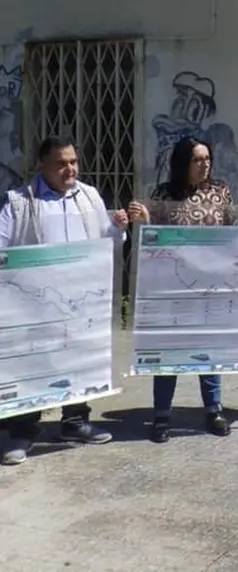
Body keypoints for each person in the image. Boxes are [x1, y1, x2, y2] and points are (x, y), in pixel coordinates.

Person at [128, 136, 238, 443]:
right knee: (168, 350)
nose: (205, 165)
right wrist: (144, 219)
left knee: (210, 348)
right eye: (197, 159)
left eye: (207, 159)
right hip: (174, 286)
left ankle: (213, 409)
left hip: (210, 285)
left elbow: (234, 233)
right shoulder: (164, 194)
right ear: (183, 163)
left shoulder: (219, 191)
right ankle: (161, 415)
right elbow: (153, 237)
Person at [0, 136, 128, 466]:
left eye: (73, 161)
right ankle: (22, 432)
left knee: (79, 361)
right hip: (36, 306)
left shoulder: (90, 197)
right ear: (41, 165)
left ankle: (75, 422)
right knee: (33, 365)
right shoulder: (19, 203)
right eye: (61, 163)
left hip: (79, 304)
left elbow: (107, 241)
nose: (70, 168)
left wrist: (119, 228)